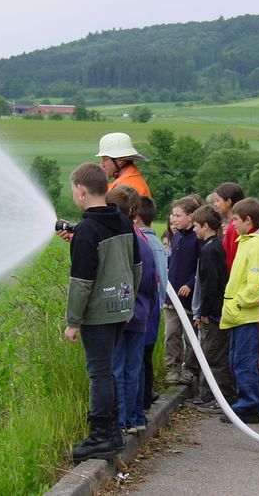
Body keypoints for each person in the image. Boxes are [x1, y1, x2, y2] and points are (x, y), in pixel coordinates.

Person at [63, 163, 141, 463]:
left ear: (81, 191)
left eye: (73, 190)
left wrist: (73, 322)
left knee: (99, 373)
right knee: (107, 369)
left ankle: (100, 438)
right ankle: (112, 434)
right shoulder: (121, 221)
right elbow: (136, 267)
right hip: (120, 309)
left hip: (97, 314)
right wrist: (128, 302)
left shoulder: (87, 229)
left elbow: (81, 282)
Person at [106, 186, 158, 435]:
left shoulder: (124, 242)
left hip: (123, 315)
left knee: (117, 370)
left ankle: (122, 422)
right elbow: (151, 281)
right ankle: (136, 417)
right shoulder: (143, 241)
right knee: (133, 369)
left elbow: (123, 279)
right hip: (140, 315)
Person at [219, 197, 259, 424]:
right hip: (239, 315)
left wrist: (239, 301)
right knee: (236, 361)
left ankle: (250, 404)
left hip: (247, 316)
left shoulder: (256, 244)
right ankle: (247, 401)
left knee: (244, 362)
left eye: (235, 220)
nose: (232, 224)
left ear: (248, 221)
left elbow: (257, 283)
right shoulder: (247, 241)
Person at [190, 205, 234, 412]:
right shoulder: (214, 246)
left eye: (196, 226)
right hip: (215, 311)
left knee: (214, 356)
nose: (194, 230)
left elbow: (210, 285)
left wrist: (204, 313)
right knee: (210, 354)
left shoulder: (209, 249)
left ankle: (221, 397)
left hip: (213, 314)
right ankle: (207, 395)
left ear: (206, 226)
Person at [163, 196, 201, 385]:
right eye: (173, 215)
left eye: (178, 215)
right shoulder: (176, 236)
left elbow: (200, 267)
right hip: (171, 298)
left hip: (188, 299)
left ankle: (190, 369)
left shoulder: (197, 239)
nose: (174, 219)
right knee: (171, 334)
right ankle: (172, 368)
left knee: (190, 336)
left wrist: (190, 284)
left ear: (191, 217)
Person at [135, 196, 168, 408]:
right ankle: (146, 397)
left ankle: (144, 399)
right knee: (144, 357)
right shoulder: (155, 242)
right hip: (151, 310)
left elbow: (160, 281)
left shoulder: (147, 244)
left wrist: (156, 304)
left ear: (136, 218)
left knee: (141, 358)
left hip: (146, 310)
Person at [96, 132, 151, 197]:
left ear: (120, 160)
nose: (101, 164)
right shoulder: (127, 183)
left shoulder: (127, 188)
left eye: (105, 159)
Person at [214, 182, 245, 273]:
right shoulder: (233, 224)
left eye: (217, 200)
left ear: (228, 202)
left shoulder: (234, 227)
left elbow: (232, 258)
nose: (215, 204)